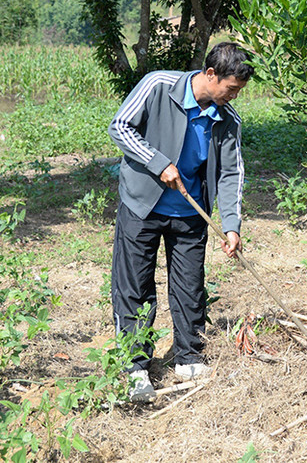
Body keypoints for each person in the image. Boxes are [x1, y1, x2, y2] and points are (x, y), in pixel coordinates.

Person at [108, 42, 254, 400]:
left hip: (190, 214)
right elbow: (120, 127)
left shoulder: (227, 119)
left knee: (190, 286)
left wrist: (232, 225)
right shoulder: (157, 85)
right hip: (142, 207)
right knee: (136, 287)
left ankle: (189, 355)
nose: (233, 97)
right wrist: (158, 162)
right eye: (231, 89)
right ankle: (135, 366)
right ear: (210, 75)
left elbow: (232, 173)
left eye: (238, 91)